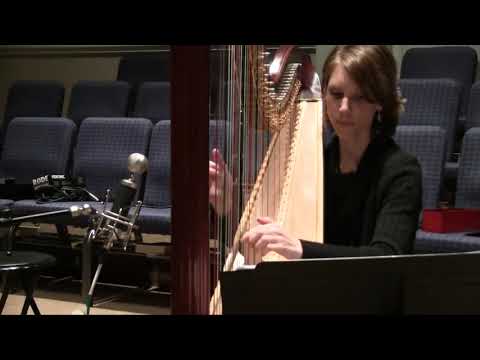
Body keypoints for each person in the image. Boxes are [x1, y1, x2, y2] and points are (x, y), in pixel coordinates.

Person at [209, 45, 422, 260]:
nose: (344, 108)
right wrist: (228, 207)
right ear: (323, 95)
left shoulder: (401, 172)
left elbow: (386, 257)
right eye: (336, 94)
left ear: (380, 102)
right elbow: (262, 248)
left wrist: (302, 250)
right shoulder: (315, 164)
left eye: (359, 97)